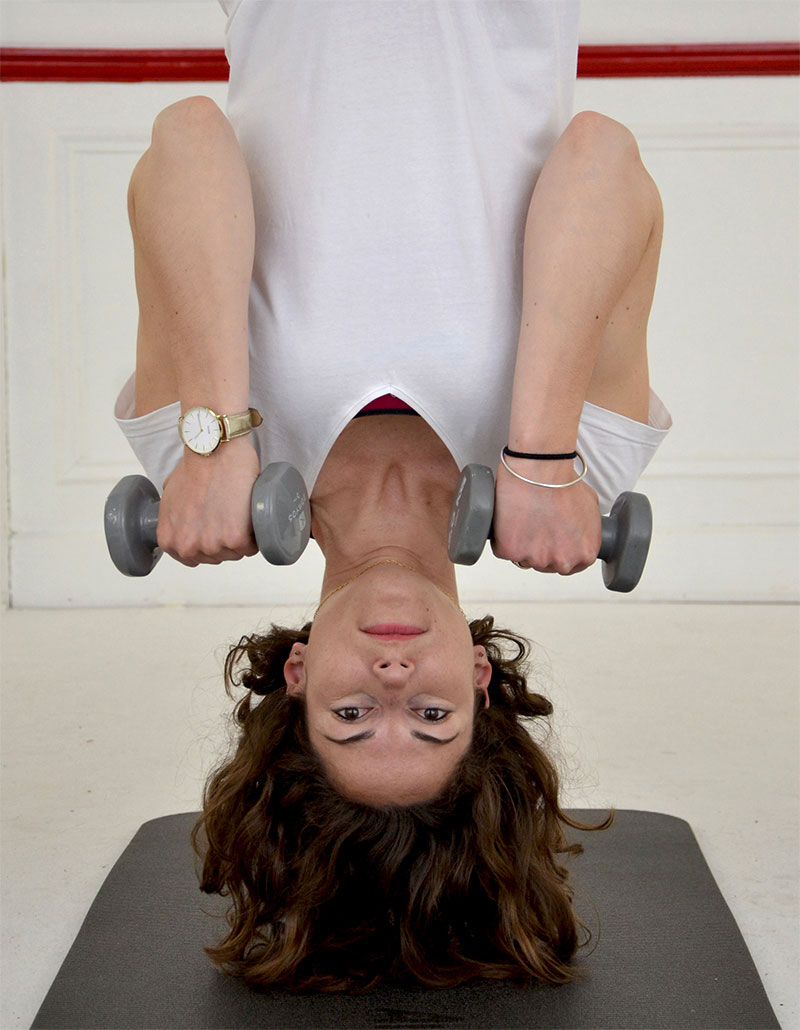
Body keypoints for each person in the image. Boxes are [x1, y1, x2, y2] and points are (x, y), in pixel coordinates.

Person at [115, 0, 670, 991]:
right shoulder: (586, 468)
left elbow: (185, 140)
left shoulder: (196, 456)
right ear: (479, 683)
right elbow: (601, 159)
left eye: (350, 717)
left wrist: (214, 433)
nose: (392, 682)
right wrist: (539, 457)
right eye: (428, 719)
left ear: (295, 677)